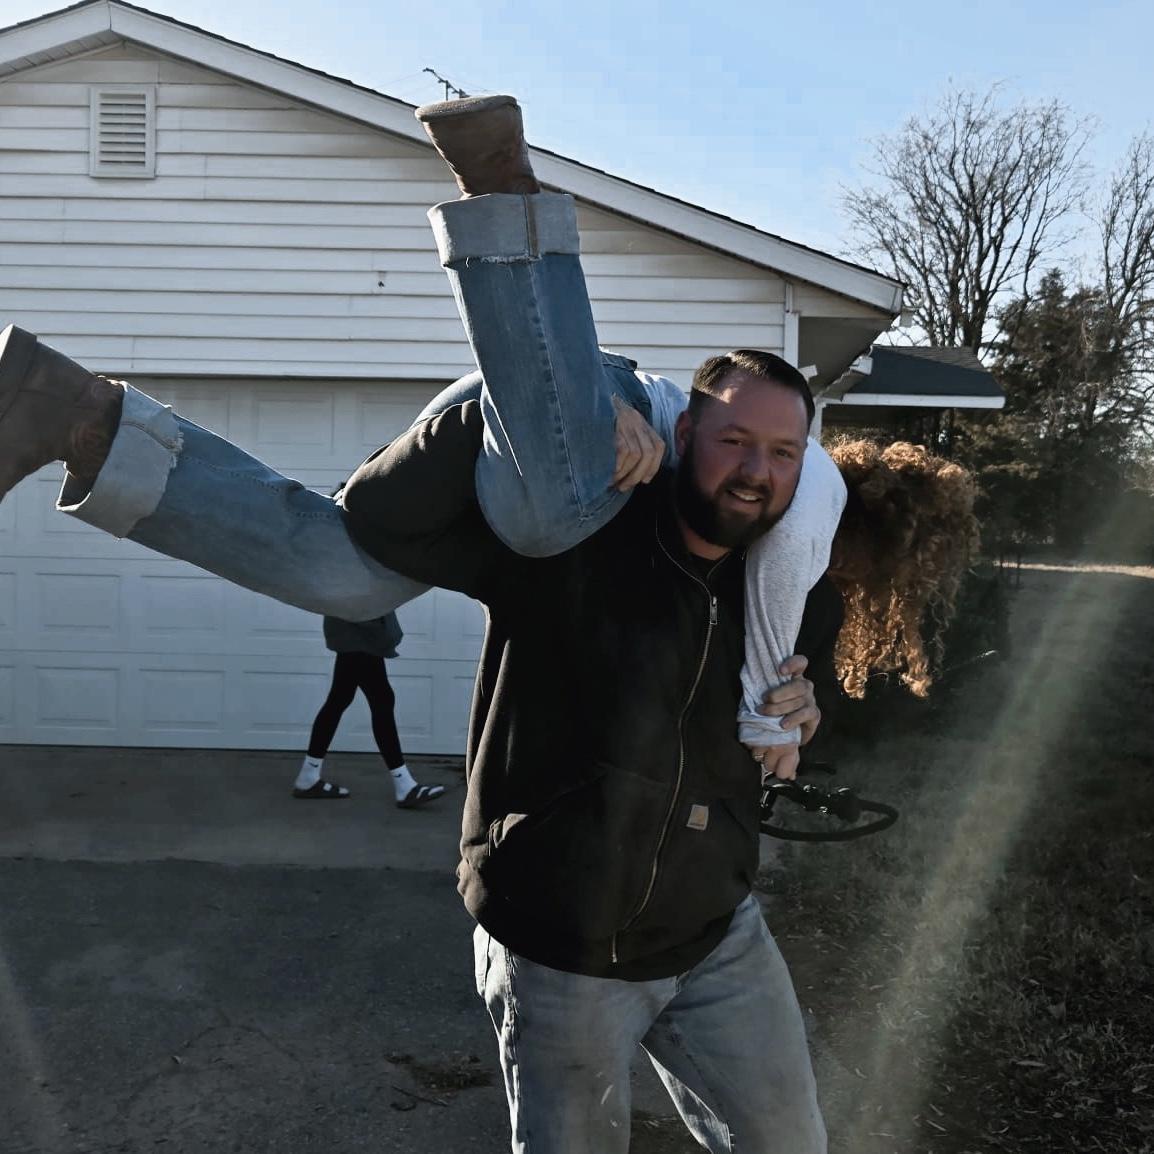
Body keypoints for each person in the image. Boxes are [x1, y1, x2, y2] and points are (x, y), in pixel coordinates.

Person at [293, 611, 446, 809]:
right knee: (381, 700)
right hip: (358, 633)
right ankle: (404, 785)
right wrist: (376, 623)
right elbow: (355, 599)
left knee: (340, 700)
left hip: (354, 632)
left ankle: (308, 776)